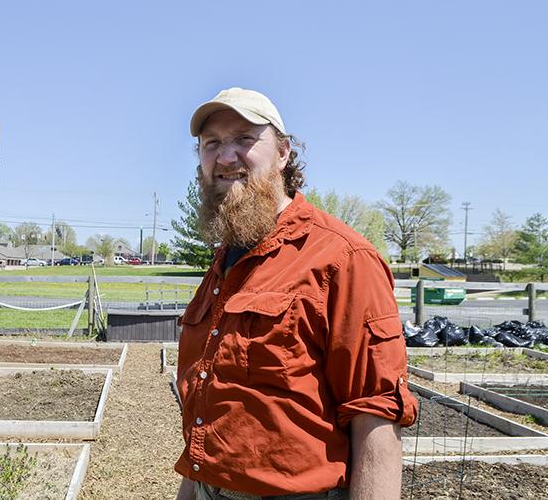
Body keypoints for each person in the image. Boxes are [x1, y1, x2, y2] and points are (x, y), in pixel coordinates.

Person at [175, 87, 418, 500]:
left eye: (244, 139)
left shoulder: (342, 258)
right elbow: (218, 401)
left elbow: (376, 413)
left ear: (284, 152)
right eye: (211, 143)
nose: (226, 156)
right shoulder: (227, 260)